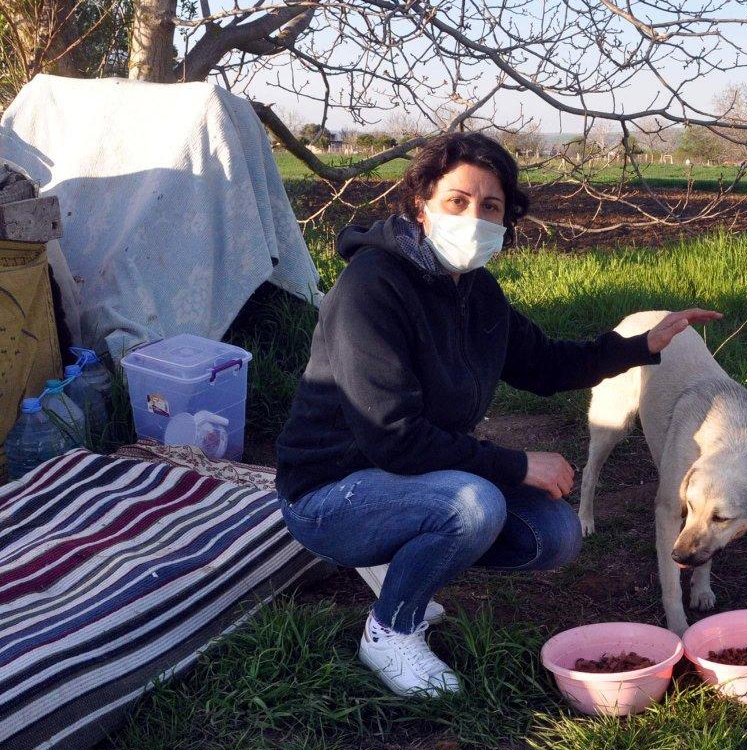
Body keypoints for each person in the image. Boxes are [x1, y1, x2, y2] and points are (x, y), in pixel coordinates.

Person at [275, 131, 720, 696]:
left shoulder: (475, 291)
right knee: (474, 504)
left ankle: (400, 557)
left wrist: (642, 346)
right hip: (329, 493)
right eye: (457, 201)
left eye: (491, 206)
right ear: (422, 205)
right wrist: (516, 466)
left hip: (408, 478)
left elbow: (542, 364)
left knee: (554, 534)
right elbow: (392, 437)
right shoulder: (371, 287)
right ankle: (389, 632)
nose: (474, 217)